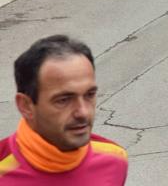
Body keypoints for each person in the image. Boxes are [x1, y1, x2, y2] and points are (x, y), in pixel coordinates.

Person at [0, 35, 128, 184]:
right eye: (63, 100)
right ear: (26, 106)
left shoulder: (114, 160)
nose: (83, 112)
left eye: (89, 95)